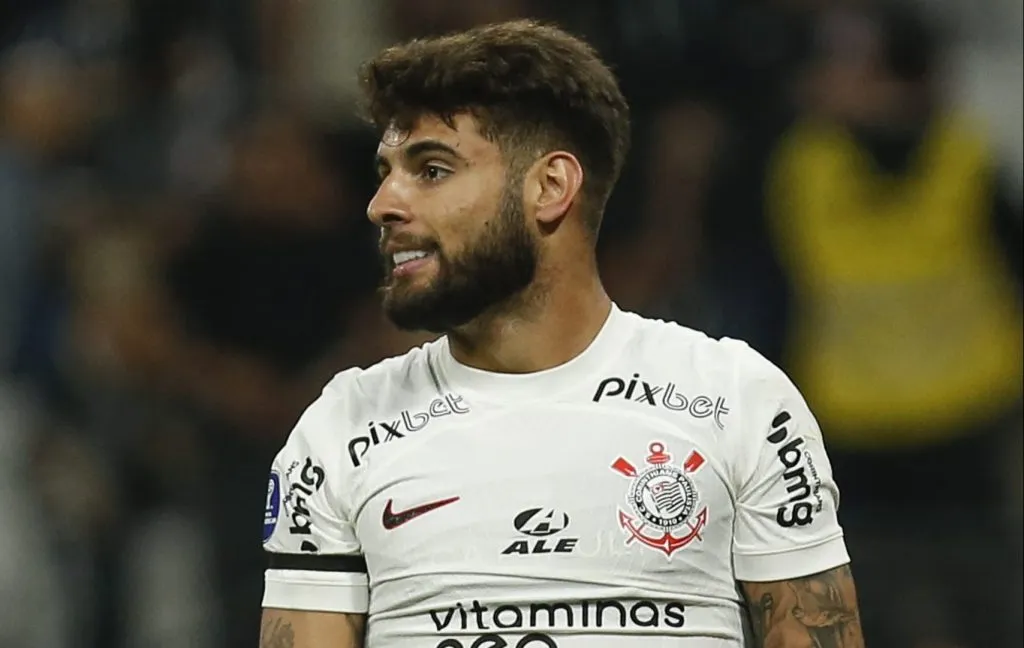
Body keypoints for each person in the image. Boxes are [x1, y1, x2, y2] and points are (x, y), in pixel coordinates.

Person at [259, 20, 866, 648]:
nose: (383, 203)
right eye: (386, 171)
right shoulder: (340, 429)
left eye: (432, 169)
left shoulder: (738, 403)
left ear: (551, 187)